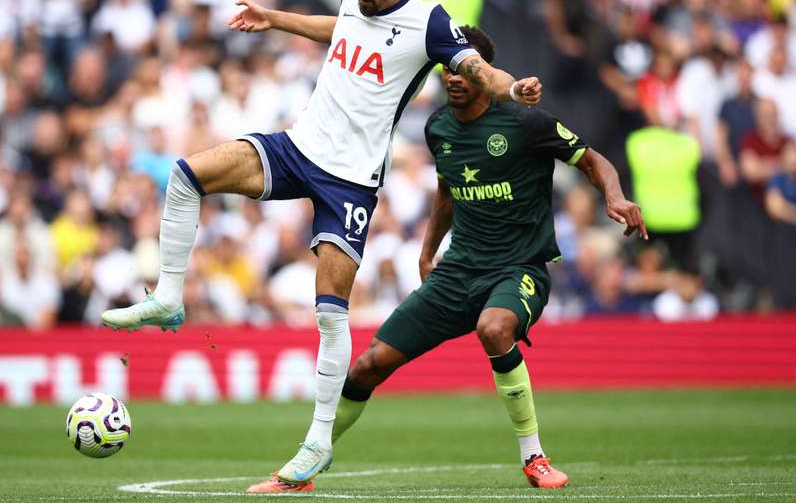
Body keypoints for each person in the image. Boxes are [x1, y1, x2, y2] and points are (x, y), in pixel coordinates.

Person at [101, 0, 542, 486]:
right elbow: (341, 29)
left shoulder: (428, 23)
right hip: (298, 147)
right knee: (188, 174)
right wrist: (276, 17)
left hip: (350, 182)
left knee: (329, 311)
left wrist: (511, 91)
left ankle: (316, 444)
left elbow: (478, 67)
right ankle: (167, 297)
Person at [248, 26, 646, 493]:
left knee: (494, 328)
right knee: (368, 365)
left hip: (519, 269)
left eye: (463, 68)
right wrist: (426, 252)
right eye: (448, 67)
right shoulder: (439, 128)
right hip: (457, 271)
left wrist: (615, 197)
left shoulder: (524, 122)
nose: (453, 76)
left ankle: (534, 456)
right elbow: (447, 192)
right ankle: (306, 465)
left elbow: (592, 159)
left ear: (486, 73)